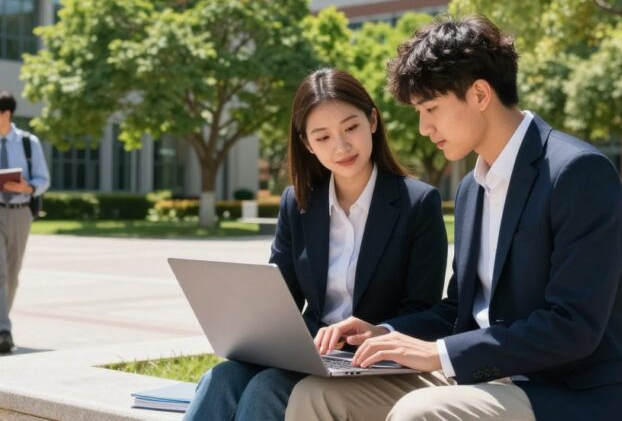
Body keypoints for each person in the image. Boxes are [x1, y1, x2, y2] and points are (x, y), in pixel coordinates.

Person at [286, 15, 622, 421]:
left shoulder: (577, 173)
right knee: (316, 395)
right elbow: (458, 310)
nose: (424, 127)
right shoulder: (470, 189)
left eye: (430, 108)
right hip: (479, 378)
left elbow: (573, 326)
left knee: (418, 413)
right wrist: (386, 333)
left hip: (565, 392)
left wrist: (438, 353)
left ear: (480, 94)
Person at [183, 68, 448, 420]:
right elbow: (282, 295)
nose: (341, 147)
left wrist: (378, 331)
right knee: (221, 378)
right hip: (310, 351)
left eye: (351, 127)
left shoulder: (418, 203)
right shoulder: (299, 202)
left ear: (372, 120)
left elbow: (427, 312)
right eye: (322, 137)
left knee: (267, 389)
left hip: (374, 359)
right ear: (308, 144)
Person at [0, 90, 50, 355]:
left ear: (7, 114)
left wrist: (27, 187)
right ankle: (4, 329)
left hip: (20, 213)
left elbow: (43, 179)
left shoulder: (28, 143)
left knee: (12, 275)